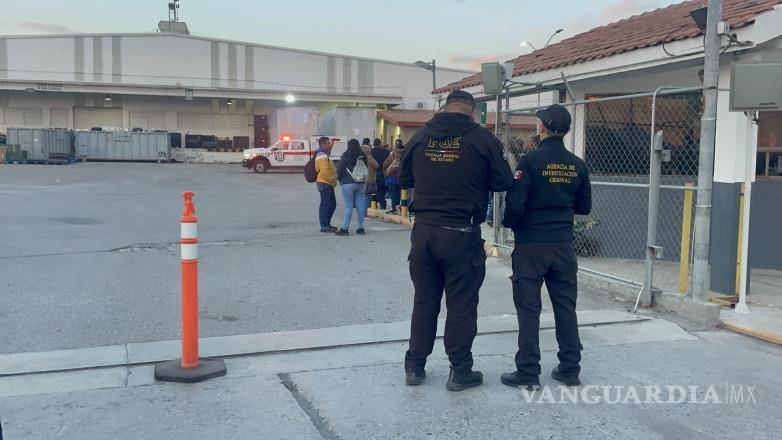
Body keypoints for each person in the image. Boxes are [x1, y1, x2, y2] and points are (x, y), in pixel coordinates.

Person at [399, 90, 514, 391]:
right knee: (461, 304)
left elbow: (403, 178)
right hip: (461, 235)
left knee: (424, 301)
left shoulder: (422, 136)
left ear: (446, 107)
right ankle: (460, 370)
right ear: (472, 111)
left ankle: (415, 366)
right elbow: (503, 181)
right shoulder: (482, 139)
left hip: (424, 232)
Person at [501, 104, 592, 390]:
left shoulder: (529, 162)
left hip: (531, 245)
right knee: (566, 306)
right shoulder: (578, 164)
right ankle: (570, 368)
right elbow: (584, 206)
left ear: (542, 128)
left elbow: (515, 204)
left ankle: (528, 371)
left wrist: (512, 225)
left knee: (529, 309)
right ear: (564, 131)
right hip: (563, 245)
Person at [336, 139, 373, 236]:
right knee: (360, 205)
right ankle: (360, 228)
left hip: (347, 183)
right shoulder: (363, 156)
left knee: (349, 206)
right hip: (360, 183)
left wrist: (340, 180)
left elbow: (339, 170)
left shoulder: (345, 156)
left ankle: (345, 229)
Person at [314, 136, 338, 233]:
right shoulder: (322, 155)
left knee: (331, 204)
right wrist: (333, 180)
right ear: (322, 145)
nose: (329, 145)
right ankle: (324, 225)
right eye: (327, 143)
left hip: (326, 183)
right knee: (326, 204)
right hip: (325, 183)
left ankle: (326, 223)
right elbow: (324, 171)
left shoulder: (323, 154)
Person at [383, 143, 404, 214]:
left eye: (394, 146)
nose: (392, 147)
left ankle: (394, 208)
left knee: (393, 194)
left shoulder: (393, 155)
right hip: (400, 178)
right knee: (398, 194)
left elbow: (384, 164)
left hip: (392, 178)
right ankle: (398, 208)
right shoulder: (404, 154)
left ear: (397, 148)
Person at [360, 138, 380, 209]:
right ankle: (365, 211)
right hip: (370, 178)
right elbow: (377, 165)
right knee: (368, 196)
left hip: (362, 179)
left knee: (364, 196)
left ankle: (363, 211)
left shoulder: (360, 157)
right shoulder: (369, 157)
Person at [371, 139, 390, 209]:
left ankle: (375, 202)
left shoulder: (371, 152)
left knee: (375, 189)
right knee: (381, 188)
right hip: (383, 172)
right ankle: (381, 203)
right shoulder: (386, 152)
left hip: (374, 173)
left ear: (373, 144)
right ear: (380, 143)